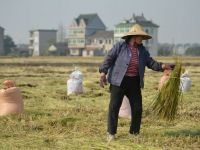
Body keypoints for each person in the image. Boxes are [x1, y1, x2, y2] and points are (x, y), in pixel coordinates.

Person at [99, 24, 172, 141]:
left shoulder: (142, 50)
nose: (142, 39)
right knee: (114, 107)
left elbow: (151, 63)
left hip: (134, 81)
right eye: (140, 36)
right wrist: (103, 72)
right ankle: (111, 133)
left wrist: (163, 66)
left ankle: (134, 133)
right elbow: (108, 59)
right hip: (119, 81)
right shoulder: (120, 46)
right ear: (134, 36)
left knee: (137, 108)